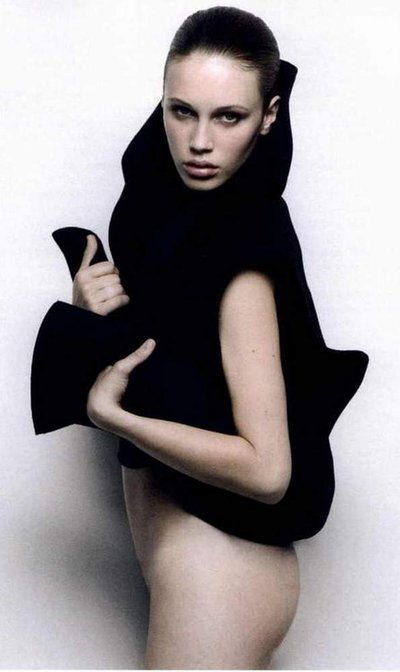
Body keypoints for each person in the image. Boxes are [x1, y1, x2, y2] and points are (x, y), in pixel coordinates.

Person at [31, 6, 368, 669]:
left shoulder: (245, 254)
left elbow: (268, 471)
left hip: (223, 571)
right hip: (191, 562)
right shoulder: (173, 216)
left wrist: (115, 417)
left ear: (269, 115)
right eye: (181, 111)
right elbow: (175, 360)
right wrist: (91, 312)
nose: (200, 142)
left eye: (229, 117)